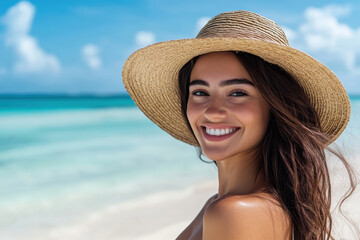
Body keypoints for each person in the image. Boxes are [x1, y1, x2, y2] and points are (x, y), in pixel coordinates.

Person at [122, 10, 357, 240]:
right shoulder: (223, 205)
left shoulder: (232, 213)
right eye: (200, 92)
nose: (212, 111)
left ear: (275, 107)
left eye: (237, 92)